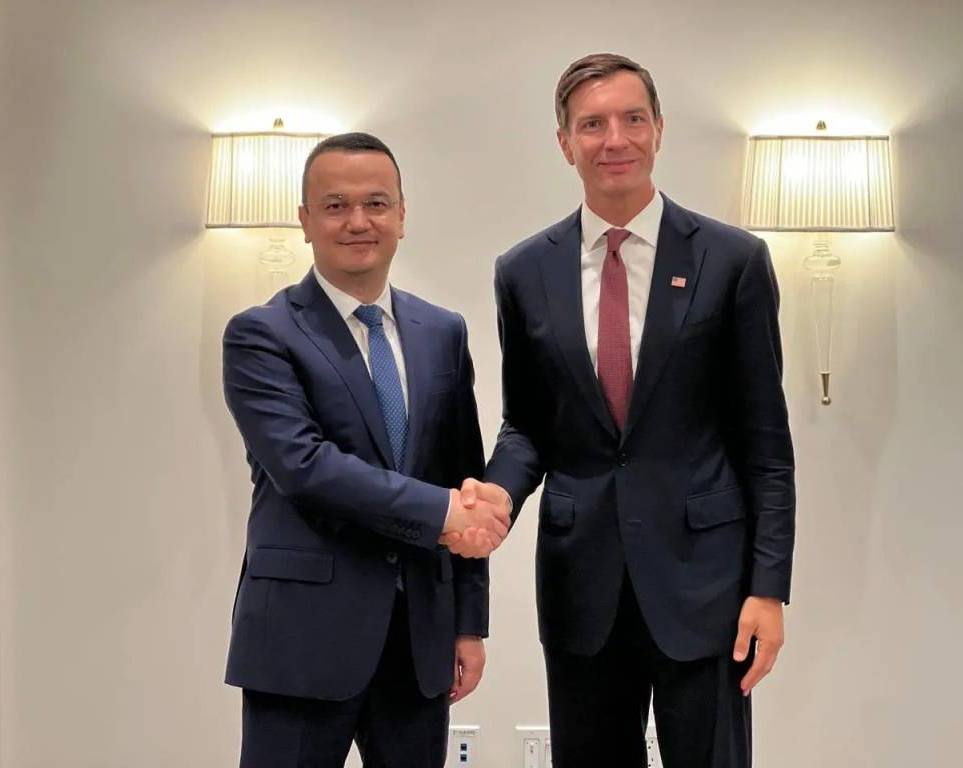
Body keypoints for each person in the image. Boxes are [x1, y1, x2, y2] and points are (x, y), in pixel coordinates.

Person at [465, 53, 796, 767]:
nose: (614, 139)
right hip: (582, 585)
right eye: (592, 124)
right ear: (565, 143)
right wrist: (497, 493)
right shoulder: (523, 271)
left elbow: (767, 446)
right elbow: (528, 426)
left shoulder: (732, 260)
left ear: (659, 130)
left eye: (632, 119)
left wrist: (768, 589)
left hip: (706, 585)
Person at [221, 132, 510, 768]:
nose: (358, 221)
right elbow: (305, 468)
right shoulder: (260, 335)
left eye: (376, 203)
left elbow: (460, 472)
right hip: (300, 639)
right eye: (336, 206)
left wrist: (468, 622)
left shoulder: (442, 331)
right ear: (305, 221)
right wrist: (443, 513)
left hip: (419, 639)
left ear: (402, 215)